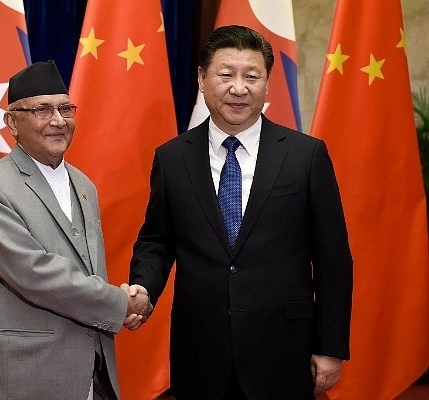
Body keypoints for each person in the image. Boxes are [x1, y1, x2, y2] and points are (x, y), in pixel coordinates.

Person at [128, 25, 353, 399]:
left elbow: (333, 259)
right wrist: (144, 287)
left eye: (252, 76)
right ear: (202, 78)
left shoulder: (305, 155)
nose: (239, 88)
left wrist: (330, 347)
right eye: (226, 74)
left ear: (267, 82)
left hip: (284, 350)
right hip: (200, 350)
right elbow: (157, 239)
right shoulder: (172, 157)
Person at [0, 61, 150, 400]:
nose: (58, 121)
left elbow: (88, 270)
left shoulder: (84, 184)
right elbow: (32, 272)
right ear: (12, 122)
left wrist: (128, 298)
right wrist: (120, 303)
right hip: (19, 373)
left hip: (88, 369)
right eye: (42, 110)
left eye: (65, 108)